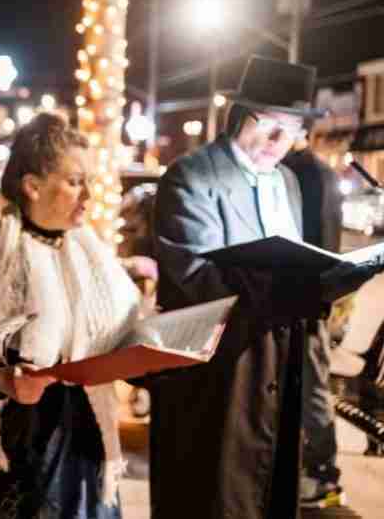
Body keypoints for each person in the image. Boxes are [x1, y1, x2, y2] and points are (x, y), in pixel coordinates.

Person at [150, 57, 381, 519]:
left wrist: (331, 281)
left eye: (292, 130)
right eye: (270, 125)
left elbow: (289, 267)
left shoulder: (287, 182)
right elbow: (200, 280)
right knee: (215, 495)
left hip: (281, 365)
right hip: (219, 375)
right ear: (240, 115)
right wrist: (292, 287)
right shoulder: (192, 177)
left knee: (271, 490)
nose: (279, 143)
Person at [0, 112, 142, 519]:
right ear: (32, 185)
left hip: (78, 457)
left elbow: (124, 334)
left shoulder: (96, 261)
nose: (87, 195)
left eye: (87, 181)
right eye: (73, 182)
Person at [282, 139, 347, 509]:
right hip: (304, 300)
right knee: (308, 387)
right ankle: (317, 470)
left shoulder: (310, 173)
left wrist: (316, 303)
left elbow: (321, 245)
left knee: (312, 388)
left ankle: (324, 474)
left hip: (306, 302)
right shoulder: (311, 170)